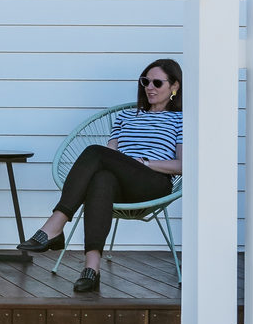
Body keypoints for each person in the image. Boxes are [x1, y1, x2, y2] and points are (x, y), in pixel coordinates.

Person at [17, 58, 183, 295]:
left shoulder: (180, 119)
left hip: (152, 182)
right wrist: (123, 165)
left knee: (94, 151)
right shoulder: (125, 117)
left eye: (157, 82)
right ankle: (91, 268)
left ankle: (55, 225)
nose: (150, 87)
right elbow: (110, 156)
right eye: (146, 81)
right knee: (101, 178)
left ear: (174, 86)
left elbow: (181, 165)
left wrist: (145, 163)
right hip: (122, 183)